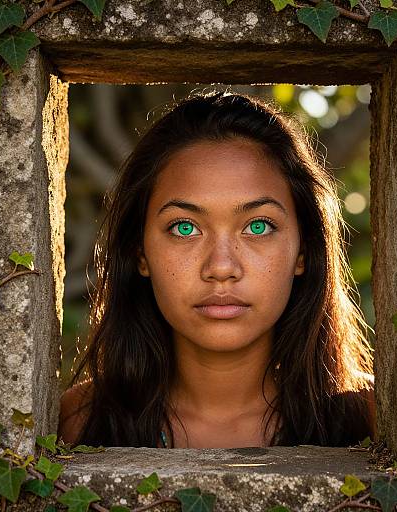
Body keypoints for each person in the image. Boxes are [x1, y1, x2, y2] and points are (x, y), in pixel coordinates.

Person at [58, 90, 376, 449]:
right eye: (184, 227)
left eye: (258, 226)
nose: (221, 267)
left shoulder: (373, 418)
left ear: (303, 250)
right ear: (140, 253)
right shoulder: (76, 423)